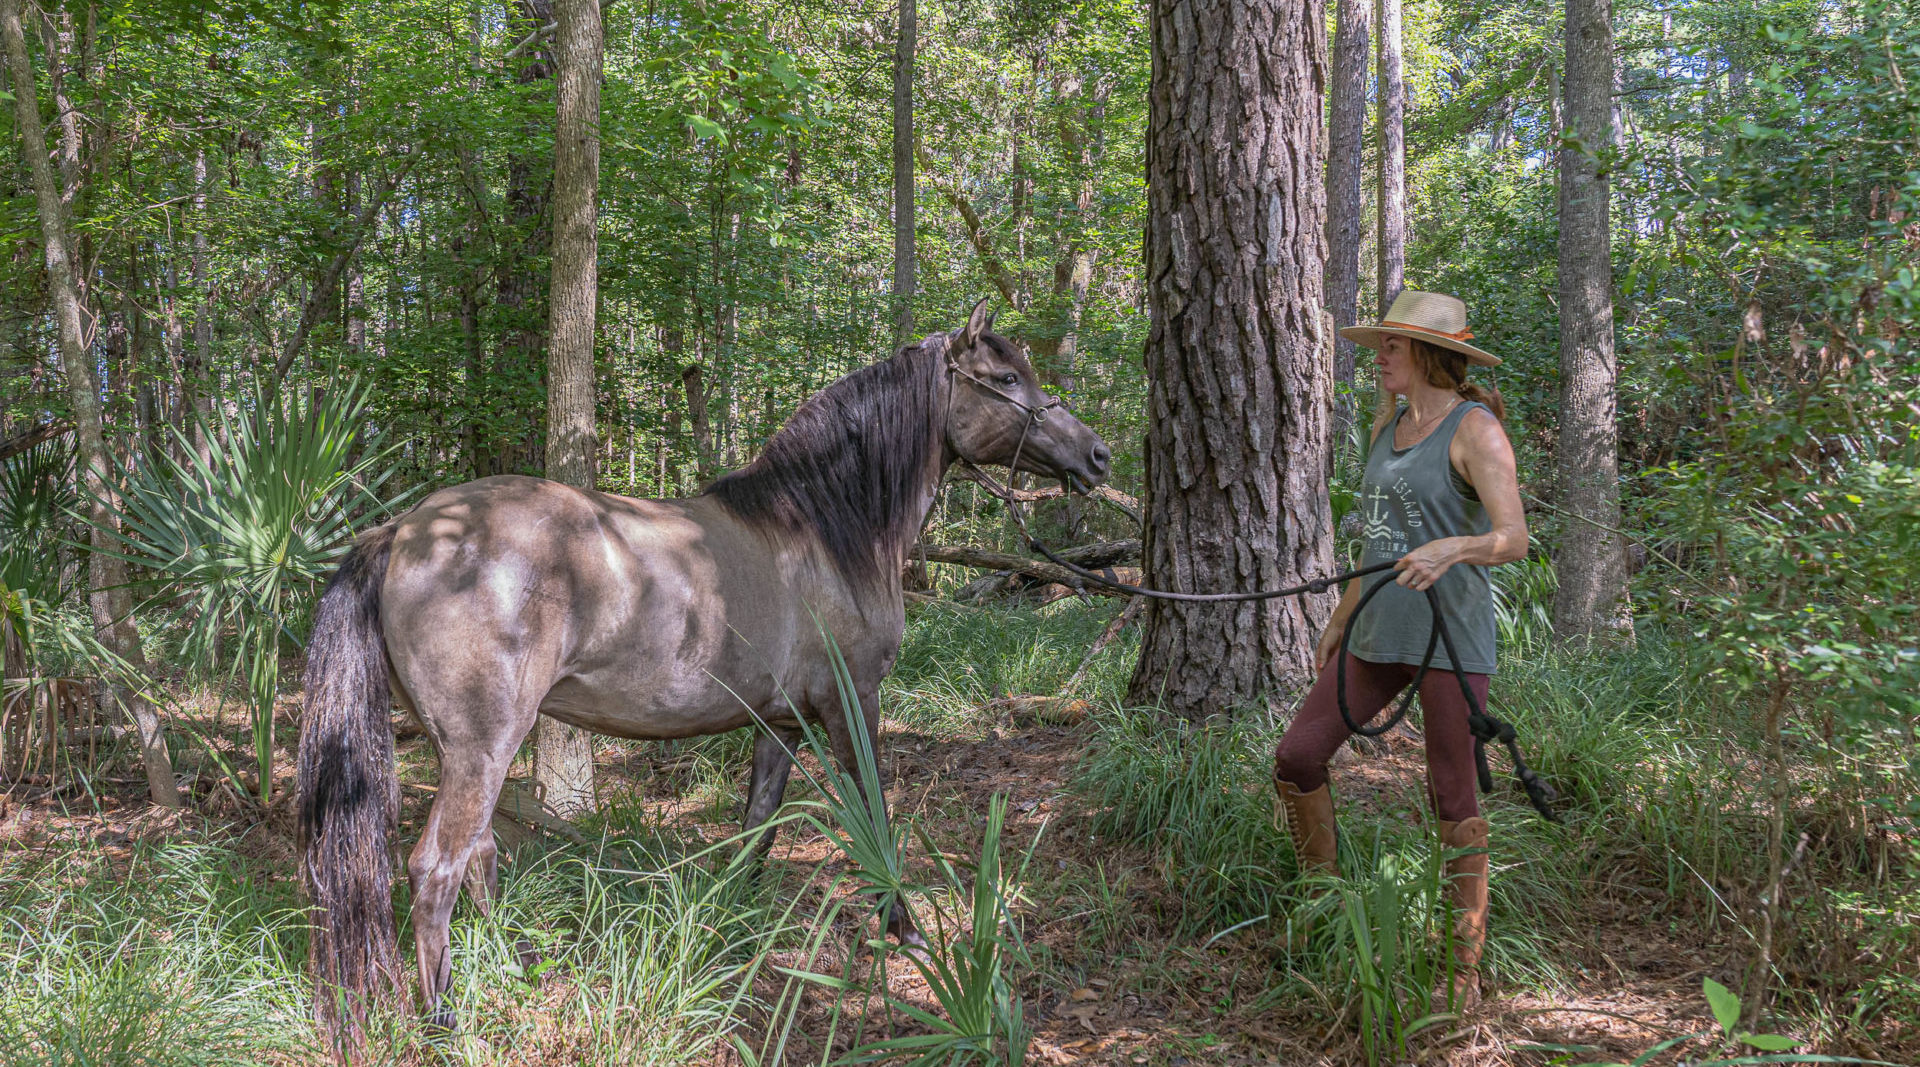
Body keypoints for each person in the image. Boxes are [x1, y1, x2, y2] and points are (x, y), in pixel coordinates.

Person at [1272, 289, 1528, 1006]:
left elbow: (1514, 537)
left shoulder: (1476, 429)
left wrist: (1456, 546)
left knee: (1452, 792)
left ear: (1426, 353)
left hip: (1451, 636)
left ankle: (1461, 974)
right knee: (1297, 755)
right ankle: (1321, 903)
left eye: (1391, 345)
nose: (1378, 356)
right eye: (1379, 345)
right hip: (1378, 629)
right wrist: (1338, 617)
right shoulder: (1387, 426)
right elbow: (1377, 541)